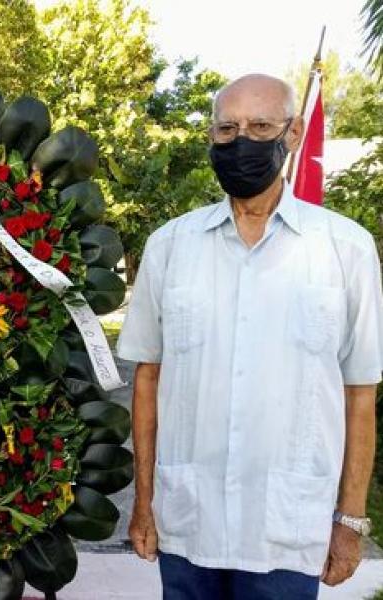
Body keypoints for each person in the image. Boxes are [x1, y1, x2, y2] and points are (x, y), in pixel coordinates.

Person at [118, 73, 382, 599]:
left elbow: (359, 394)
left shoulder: (344, 250)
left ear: (293, 134)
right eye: (226, 129)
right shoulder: (171, 247)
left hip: (287, 530)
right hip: (189, 524)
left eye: (261, 126)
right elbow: (147, 381)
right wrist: (145, 502)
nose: (242, 142)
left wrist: (349, 522)